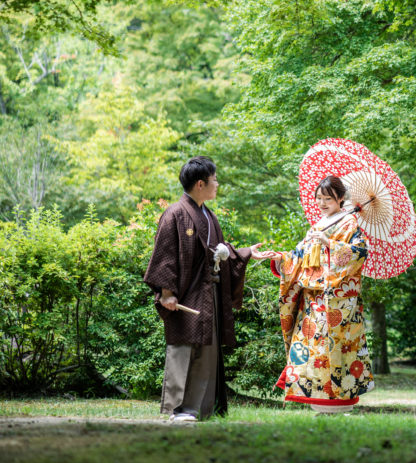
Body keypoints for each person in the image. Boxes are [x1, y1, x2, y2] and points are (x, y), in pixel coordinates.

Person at [143, 156, 268, 422]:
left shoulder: (208, 216)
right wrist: (166, 292)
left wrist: (245, 253)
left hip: (209, 292)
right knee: (184, 346)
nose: (217, 184)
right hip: (186, 293)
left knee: (207, 349)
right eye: (214, 180)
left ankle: (199, 409)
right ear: (201, 184)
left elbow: (217, 252)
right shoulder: (175, 213)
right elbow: (165, 255)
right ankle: (178, 409)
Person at [269, 175, 374, 413]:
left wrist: (329, 243)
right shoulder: (316, 225)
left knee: (336, 350)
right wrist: (280, 258)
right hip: (312, 300)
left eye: (328, 198)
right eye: (319, 198)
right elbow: (298, 257)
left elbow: (359, 253)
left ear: (341, 198)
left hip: (336, 301)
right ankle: (315, 399)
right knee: (309, 351)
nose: (322, 203)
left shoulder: (350, 224)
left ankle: (339, 403)